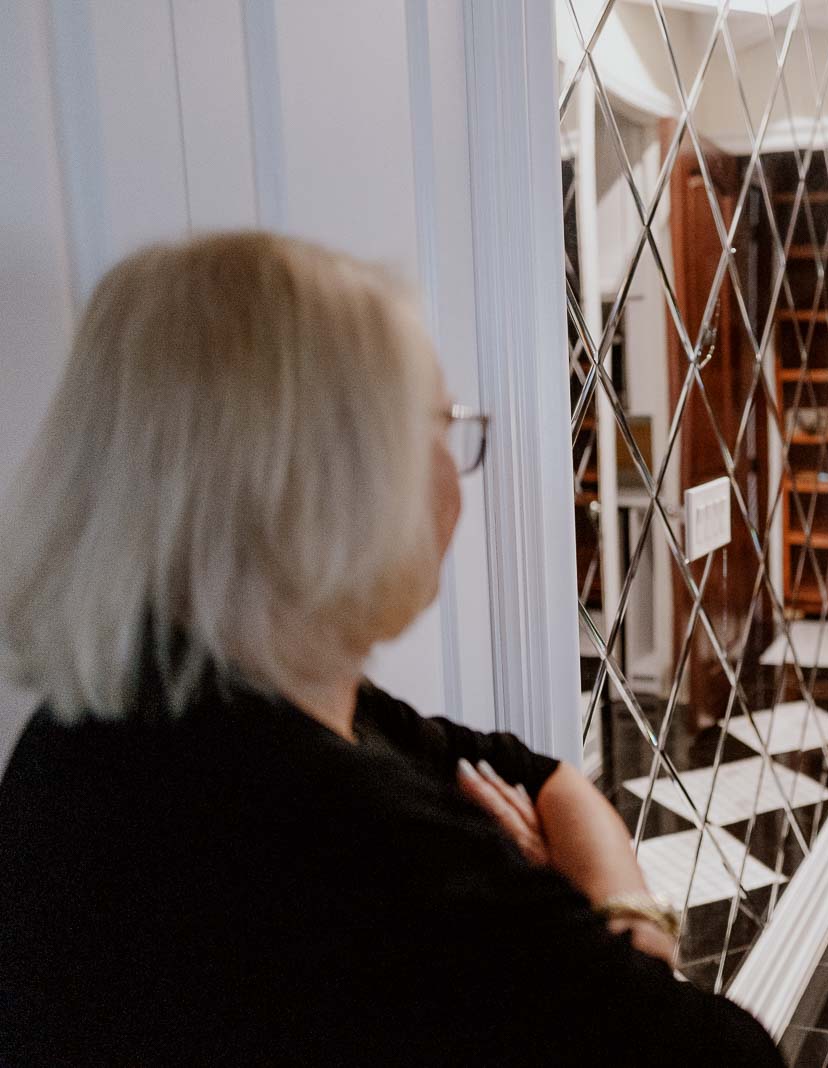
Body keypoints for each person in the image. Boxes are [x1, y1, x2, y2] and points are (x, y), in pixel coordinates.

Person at [0, 231, 785, 1066]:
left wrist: (600, 905)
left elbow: (538, 773)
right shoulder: (360, 856)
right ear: (330, 481)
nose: (456, 474)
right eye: (442, 427)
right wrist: (616, 918)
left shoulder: (136, 710)